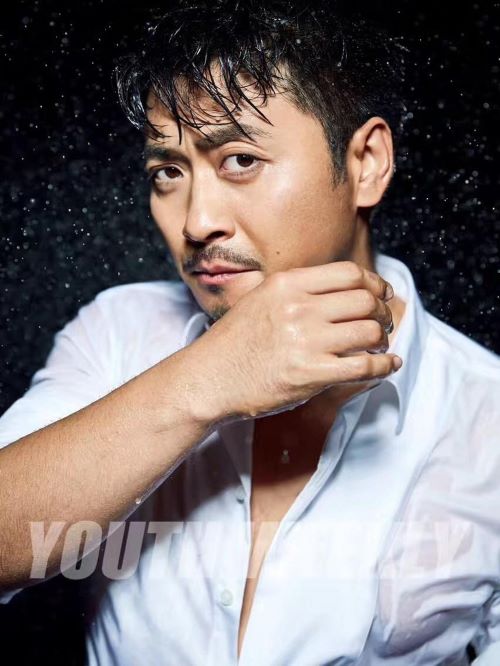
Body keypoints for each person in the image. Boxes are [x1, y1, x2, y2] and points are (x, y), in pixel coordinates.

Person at [0, 1, 499, 663]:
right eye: (168, 172)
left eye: (240, 159)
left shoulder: (487, 418)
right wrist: (206, 379)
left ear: (367, 163)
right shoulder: (118, 331)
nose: (196, 221)